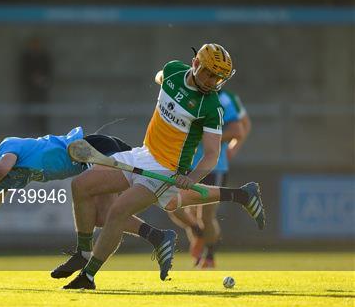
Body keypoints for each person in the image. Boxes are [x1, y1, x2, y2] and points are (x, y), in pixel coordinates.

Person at [60, 43, 265, 290]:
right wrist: (162, 81)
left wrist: (192, 177)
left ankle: (88, 276)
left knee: (117, 212)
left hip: (165, 170)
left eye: (218, 77)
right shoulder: (173, 71)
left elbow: (211, 154)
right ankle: (83, 252)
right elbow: (163, 77)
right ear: (195, 64)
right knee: (81, 185)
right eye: (209, 73)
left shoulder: (210, 107)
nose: (212, 81)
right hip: (142, 154)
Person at [0, 127, 177, 275]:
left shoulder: (8, 147)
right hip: (91, 159)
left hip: (93, 148)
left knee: (108, 211)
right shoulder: (5, 179)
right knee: (103, 216)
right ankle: (158, 236)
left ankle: (86, 253)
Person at [168, 89, 252, 268]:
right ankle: (197, 232)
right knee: (173, 205)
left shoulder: (225, 99)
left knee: (206, 215)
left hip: (214, 167)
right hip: (186, 164)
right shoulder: (187, 92)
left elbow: (239, 129)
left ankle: (209, 256)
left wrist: (217, 140)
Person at [18, 36, 53, 135]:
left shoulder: (44, 56)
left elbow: (49, 71)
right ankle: (27, 130)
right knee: (29, 109)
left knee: (42, 109)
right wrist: (31, 79)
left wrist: (42, 79)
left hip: (42, 88)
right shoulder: (26, 57)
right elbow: (22, 72)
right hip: (29, 88)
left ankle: (43, 130)